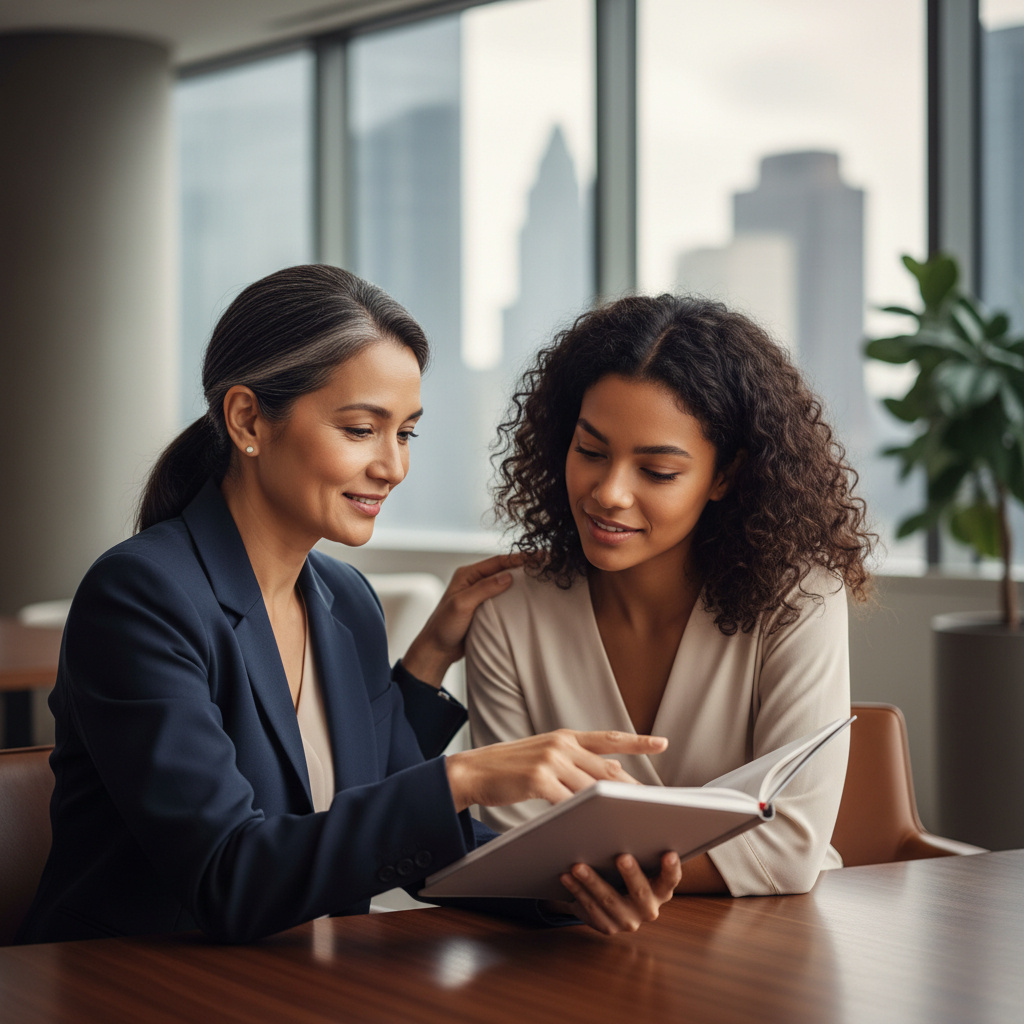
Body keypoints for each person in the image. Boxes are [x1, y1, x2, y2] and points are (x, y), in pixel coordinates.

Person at [17, 266, 682, 946]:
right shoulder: (141, 597)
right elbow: (228, 874)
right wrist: (467, 775)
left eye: (406, 434)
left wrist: (576, 878)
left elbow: (397, 823)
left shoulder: (346, 601)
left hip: (296, 984)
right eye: (363, 429)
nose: (393, 467)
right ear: (248, 419)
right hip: (127, 986)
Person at [467, 294, 874, 897]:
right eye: (590, 451)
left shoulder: (799, 598)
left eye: (656, 472)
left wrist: (581, 868)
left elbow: (789, 850)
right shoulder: (507, 610)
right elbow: (508, 845)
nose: (610, 493)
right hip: (565, 954)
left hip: (770, 949)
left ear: (726, 476)